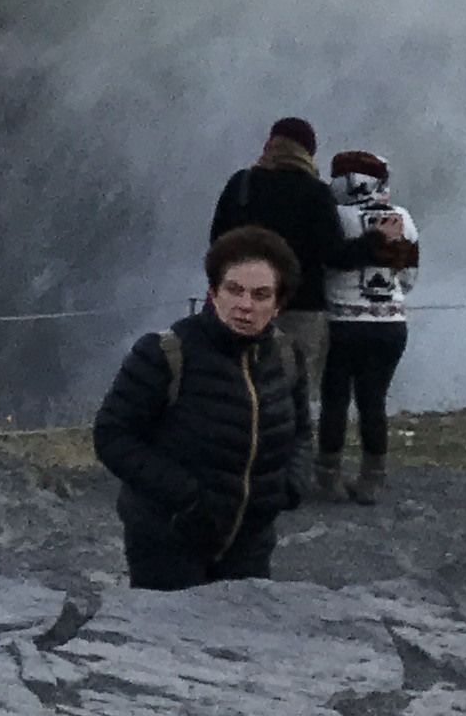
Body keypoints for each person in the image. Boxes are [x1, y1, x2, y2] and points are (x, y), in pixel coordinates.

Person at [91, 223, 311, 589]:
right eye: (234, 290)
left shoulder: (286, 357)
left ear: (278, 304)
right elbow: (112, 435)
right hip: (167, 543)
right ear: (213, 291)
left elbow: (301, 429)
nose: (245, 305)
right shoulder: (165, 354)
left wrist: (289, 486)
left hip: (250, 545)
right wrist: (185, 495)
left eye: (261, 295)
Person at [209, 118, 344, 392]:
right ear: (307, 152)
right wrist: (376, 244)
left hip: (241, 302)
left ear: (270, 144)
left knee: (235, 383)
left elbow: (217, 242)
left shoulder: (242, 183)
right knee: (297, 388)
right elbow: (332, 253)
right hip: (301, 306)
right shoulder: (317, 192)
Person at [317, 148, 419, 501]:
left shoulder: (334, 216)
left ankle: (328, 475)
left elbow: (324, 263)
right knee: (373, 401)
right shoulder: (402, 217)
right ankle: (371, 479)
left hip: (341, 322)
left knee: (335, 400)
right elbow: (409, 279)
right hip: (390, 324)